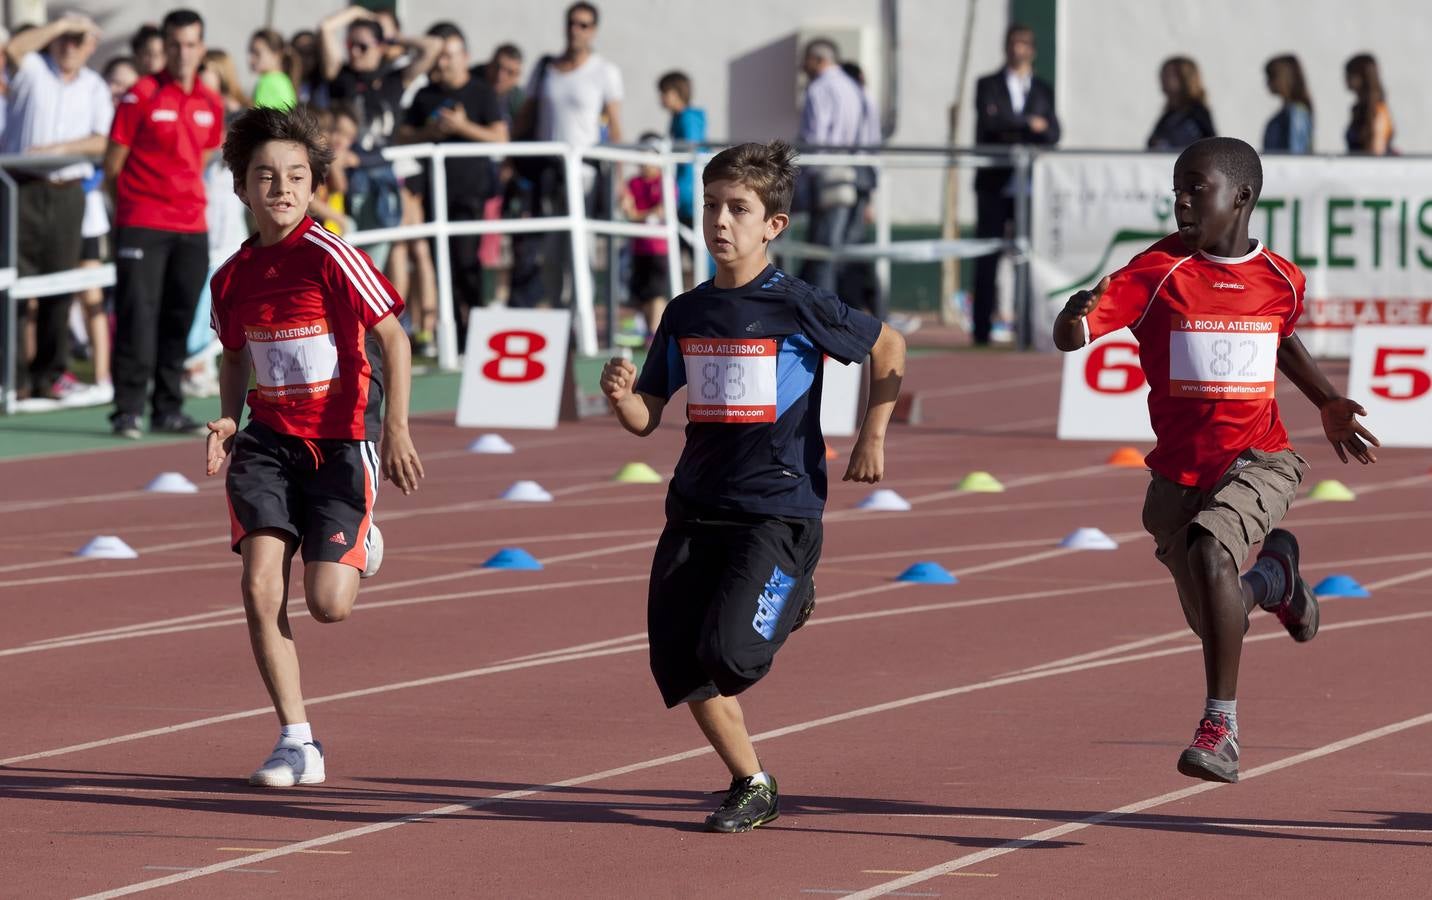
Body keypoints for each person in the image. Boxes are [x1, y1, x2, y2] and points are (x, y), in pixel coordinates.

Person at [1052, 136, 1380, 784]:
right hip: (1179, 476)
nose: (1181, 200)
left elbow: (1281, 340)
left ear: (1242, 197)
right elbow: (1078, 333)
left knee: (1211, 553)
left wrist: (1326, 401)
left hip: (1261, 458)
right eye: (1176, 188)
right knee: (1215, 613)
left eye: (1195, 186)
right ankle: (1278, 581)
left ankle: (1220, 727)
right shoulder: (1156, 271)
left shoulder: (1282, 279)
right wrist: (1071, 317)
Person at [599, 140, 906, 831]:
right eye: (711, 205)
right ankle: (752, 782)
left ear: (773, 225)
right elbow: (649, 415)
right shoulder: (686, 313)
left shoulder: (795, 304)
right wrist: (623, 400)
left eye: (738, 208)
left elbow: (889, 347)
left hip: (777, 511)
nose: (720, 221)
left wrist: (872, 435)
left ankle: (793, 587)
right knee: (678, 665)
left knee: (729, 654)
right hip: (696, 508)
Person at [205, 103, 423, 788]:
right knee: (259, 582)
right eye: (265, 177)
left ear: (312, 185)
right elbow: (235, 357)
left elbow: (392, 337)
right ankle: (296, 739)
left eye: (295, 176)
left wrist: (395, 429)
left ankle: (359, 538)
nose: (281, 189)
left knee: (329, 604)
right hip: (268, 443)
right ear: (242, 188)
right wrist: (226, 420)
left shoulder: (331, 253)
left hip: (341, 442)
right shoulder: (232, 277)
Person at [104, 8, 224, 439]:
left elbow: (203, 157)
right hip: (142, 222)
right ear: (164, 47)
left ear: (201, 48)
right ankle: (127, 410)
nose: (182, 53)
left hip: (191, 225)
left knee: (178, 316)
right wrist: (133, 214)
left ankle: (168, 408)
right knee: (138, 315)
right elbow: (112, 167)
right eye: (174, 44)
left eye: (191, 44)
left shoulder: (211, 102)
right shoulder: (140, 95)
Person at [1, 13, 112, 403]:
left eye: (78, 39)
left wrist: (56, 150)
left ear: (91, 46)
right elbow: (13, 48)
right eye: (65, 39)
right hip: (22, 189)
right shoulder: (33, 69)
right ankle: (11, 378)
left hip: (67, 192)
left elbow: (102, 142)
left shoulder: (95, 86)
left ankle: (48, 375)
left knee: (59, 287)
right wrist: (60, 25)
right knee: (12, 285)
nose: (69, 46)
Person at [397, 22, 506, 348]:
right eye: (438, 56)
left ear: (465, 57)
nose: (442, 63)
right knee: (441, 266)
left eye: (449, 56)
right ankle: (455, 337)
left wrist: (463, 125)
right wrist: (427, 133)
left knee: (467, 264)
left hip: (470, 196)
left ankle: (477, 334)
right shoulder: (424, 95)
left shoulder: (482, 92)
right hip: (433, 194)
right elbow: (403, 136)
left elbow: (500, 138)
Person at [509, 1, 624, 308]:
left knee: (581, 250)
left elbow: (615, 129)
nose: (576, 30)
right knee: (549, 253)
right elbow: (524, 117)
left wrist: (619, 179)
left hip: (584, 176)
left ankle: (581, 320)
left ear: (594, 30)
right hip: (547, 176)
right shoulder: (546, 68)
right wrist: (509, 159)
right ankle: (559, 317)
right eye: (572, 23)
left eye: (584, 25)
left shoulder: (605, 72)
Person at [972, 24, 1059, 346]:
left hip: (1028, 186)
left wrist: (1024, 126)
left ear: (1032, 49)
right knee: (987, 256)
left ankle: (1026, 326)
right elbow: (990, 123)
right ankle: (981, 329)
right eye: (1013, 43)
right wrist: (1028, 124)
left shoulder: (1042, 89)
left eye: (1023, 43)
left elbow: (1053, 132)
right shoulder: (987, 85)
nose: (1017, 49)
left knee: (1027, 255)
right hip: (994, 182)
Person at [796, 39, 877, 298]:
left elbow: (815, 137)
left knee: (823, 251)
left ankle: (823, 315)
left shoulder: (819, 88)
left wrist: (807, 176)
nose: (802, 66)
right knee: (847, 251)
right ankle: (846, 314)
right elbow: (869, 137)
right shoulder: (855, 88)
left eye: (806, 60)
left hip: (829, 174)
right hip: (859, 172)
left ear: (818, 60)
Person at [620, 134, 670, 337]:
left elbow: (662, 210)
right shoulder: (633, 183)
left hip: (659, 248)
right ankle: (647, 332)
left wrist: (639, 214)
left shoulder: (665, 181)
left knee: (656, 292)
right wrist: (643, 214)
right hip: (638, 247)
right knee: (640, 293)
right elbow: (628, 212)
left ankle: (653, 332)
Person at [657, 70, 706, 228]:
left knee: (695, 238)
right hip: (683, 188)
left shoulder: (688, 118)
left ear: (676, 93)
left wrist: (680, 193)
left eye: (664, 93)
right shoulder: (677, 118)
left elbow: (691, 150)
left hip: (690, 191)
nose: (661, 98)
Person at [1147, 56, 1215, 150]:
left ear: (1186, 78)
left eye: (1170, 75)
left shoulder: (1197, 112)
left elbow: (1212, 146)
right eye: (1163, 74)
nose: (1164, 79)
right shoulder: (1168, 116)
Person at [1344, 53, 1394, 156]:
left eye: (1349, 74)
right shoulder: (1358, 109)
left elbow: (1378, 152)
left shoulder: (1378, 111)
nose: (1345, 79)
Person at [1262, 55, 1312, 154]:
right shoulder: (1287, 112)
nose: (1267, 82)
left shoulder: (1298, 113)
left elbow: (1297, 153)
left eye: (1271, 76)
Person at [473, 43, 524, 125]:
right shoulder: (469, 86)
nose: (500, 76)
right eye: (497, 67)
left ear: (517, 76)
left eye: (510, 72)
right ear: (488, 65)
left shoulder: (518, 101)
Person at [249, 29, 297, 111]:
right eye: (251, 52)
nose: (251, 59)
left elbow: (257, 118)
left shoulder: (269, 81)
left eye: (257, 53)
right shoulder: (283, 80)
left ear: (276, 54)